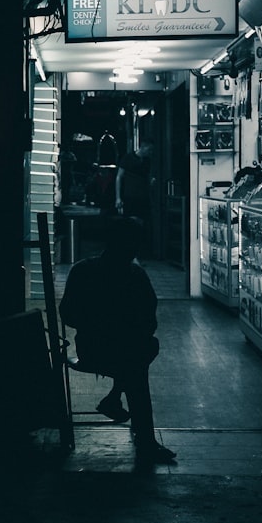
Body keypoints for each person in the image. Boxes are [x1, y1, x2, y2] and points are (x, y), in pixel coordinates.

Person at [58, 216, 176, 463]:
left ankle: (116, 401)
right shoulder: (136, 275)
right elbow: (150, 320)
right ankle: (142, 437)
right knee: (138, 362)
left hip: (91, 348)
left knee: (135, 359)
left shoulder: (83, 270)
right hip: (123, 349)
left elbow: (67, 314)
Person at [114, 139, 155, 221]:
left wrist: (150, 182)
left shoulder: (147, 161)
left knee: (144, 220)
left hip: (144, 196)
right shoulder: (128, 158)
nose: (150, 152)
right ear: (143, 147)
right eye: (149, 149)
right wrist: (118, 197)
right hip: (130, 195)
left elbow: (146, 176)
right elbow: (119, 176)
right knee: (131, 220)